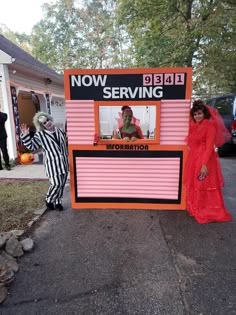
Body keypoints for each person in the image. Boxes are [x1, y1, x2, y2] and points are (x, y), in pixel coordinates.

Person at [184, 99, 232, 224]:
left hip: (205, 160)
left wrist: (204, 164)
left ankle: (208, 209)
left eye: (199, 113)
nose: (197, 116)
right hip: (194, 159)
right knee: (196, 183)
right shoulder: (194, 125)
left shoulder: (209, 125)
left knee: (202, 182)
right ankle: (196, 207)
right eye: (195, 114)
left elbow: (210, 146)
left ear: (204, 113)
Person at [20, 112, 69, 211]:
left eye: (47, 120)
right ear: (42, 125)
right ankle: (49, 199)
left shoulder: (60, 131)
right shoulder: (40, 135)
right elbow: (32, 146)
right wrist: (25, 135)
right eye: (44, 123)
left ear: (50, 119)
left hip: (63, 163)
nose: (47, 123)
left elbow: (65, 143)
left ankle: (58, 202)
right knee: (56, 183)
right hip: (52, 164)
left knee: (62, 183)